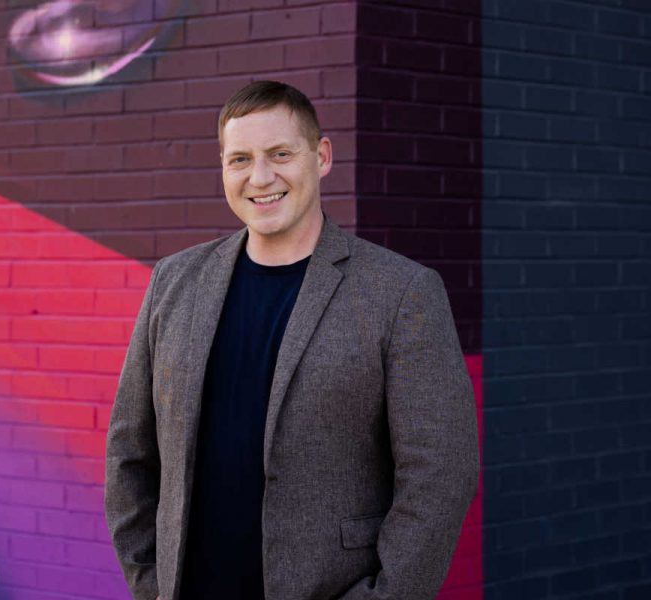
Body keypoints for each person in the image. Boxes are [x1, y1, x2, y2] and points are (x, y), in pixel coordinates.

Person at [105, 80, 479, 600]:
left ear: (320, 156)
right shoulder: (173, 282)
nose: (260, 178)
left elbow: (441, 474)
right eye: (240, 159)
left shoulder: (402, 293)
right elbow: (129, 452)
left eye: (280, 154)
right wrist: (151, 583)